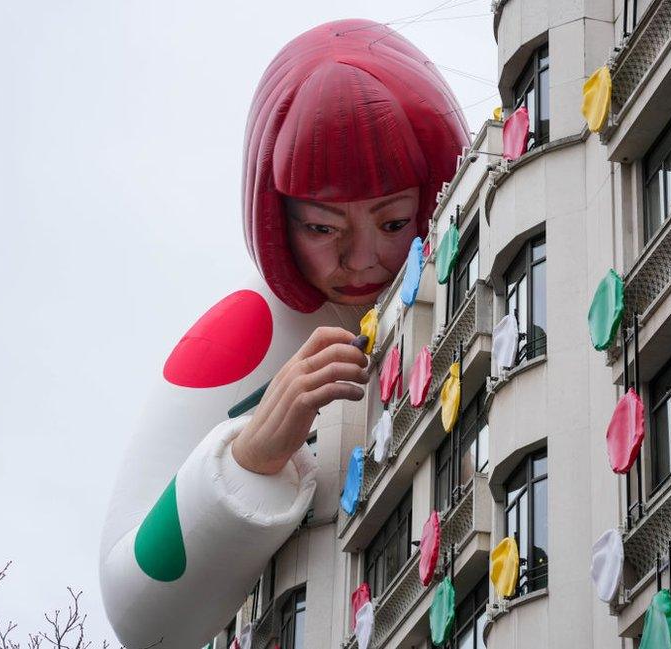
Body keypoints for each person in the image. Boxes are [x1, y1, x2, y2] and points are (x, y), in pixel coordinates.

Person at [99, 19, 468, 649]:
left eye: (394, 221)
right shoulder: (249, 327)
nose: (361, 259)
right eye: (324, 228)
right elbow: (134, 606)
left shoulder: (477, 259)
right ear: (279, 221)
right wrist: (250, 457)